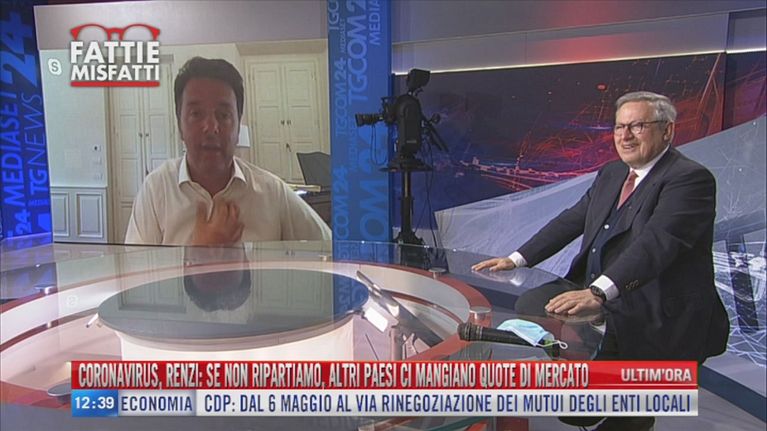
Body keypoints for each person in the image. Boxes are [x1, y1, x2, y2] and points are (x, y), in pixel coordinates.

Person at [472, 91, 729, 430]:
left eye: (638, 126)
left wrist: (597, 293)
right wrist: (517, 258)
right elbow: (573, 218)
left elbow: (657, 244)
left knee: (621, 412)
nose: (625, 136)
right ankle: (593, 369)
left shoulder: (689, 179)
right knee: (533, 304)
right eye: (620, 127)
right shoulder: (612, 172)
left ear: (667, 130)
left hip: (651, 305)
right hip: (604, 300)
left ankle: (634, 412)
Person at [125, 57, 331, 246]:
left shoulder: (272, 193)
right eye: (196, 114)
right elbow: (136, 271)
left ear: (238, 125)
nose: (211, 127)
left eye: (223, 115)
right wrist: (198, 254)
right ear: (180, 126)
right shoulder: (156, 190)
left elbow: (330, 248)